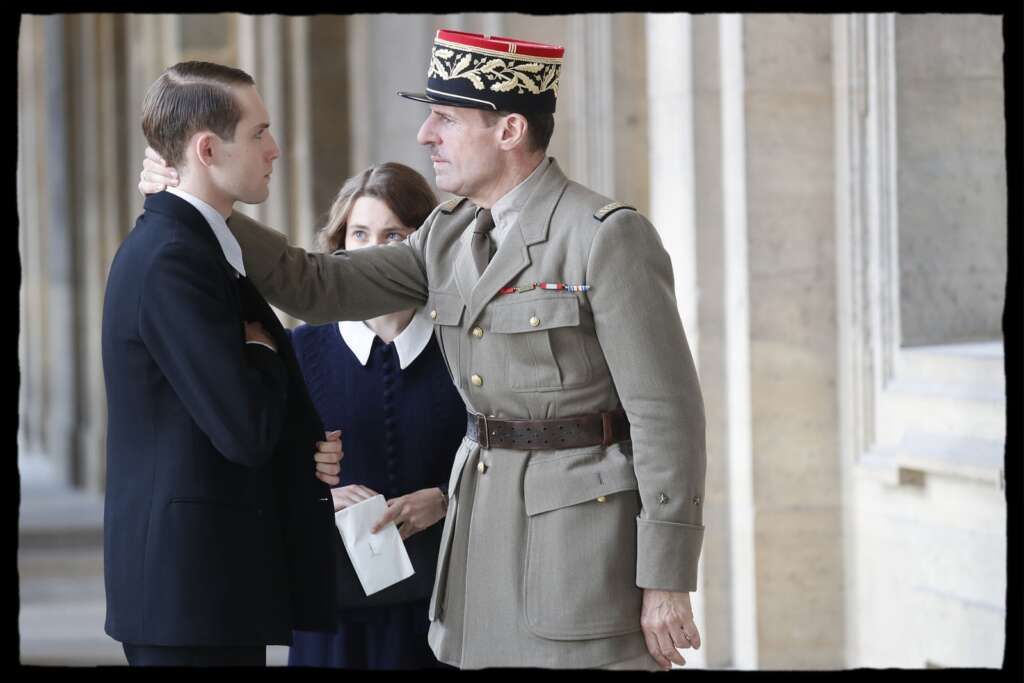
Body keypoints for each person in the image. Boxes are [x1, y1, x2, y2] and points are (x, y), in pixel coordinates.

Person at [138, 29, 706, 671]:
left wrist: (666, 576)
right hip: (480, 540)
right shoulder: (449, 234)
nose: (424, 135)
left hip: (580, 543)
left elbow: (667, 414)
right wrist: (201, 201)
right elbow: (317, 284)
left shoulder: (606, 237)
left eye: (445, 117)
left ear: (510, 130)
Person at [103, 61, 342, 667]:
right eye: (259, 133)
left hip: (205, 589)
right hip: (188, 592)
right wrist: (262, 346)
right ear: (208, 149)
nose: (275, 149)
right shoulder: (174, 259)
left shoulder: (194, 244)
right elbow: (243, 428)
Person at [285, 163, 464, 669]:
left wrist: (448, 500)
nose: (374, 249)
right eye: (359, 233)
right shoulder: (301, 349)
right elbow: (264, 465)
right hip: (332, 612)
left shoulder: (461, 349)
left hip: (444, 607)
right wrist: (320, 495)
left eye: (393, 235)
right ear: (340, 244)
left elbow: (501, 455)